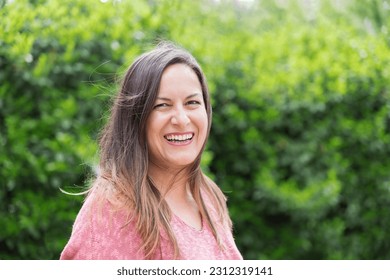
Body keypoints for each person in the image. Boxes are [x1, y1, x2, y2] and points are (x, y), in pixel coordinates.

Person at [60, 42, 242, 260]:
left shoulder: (209, 198)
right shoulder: (113, 209)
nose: (182, 119)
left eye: (192, 102)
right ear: (136, 117)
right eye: (162, 105)